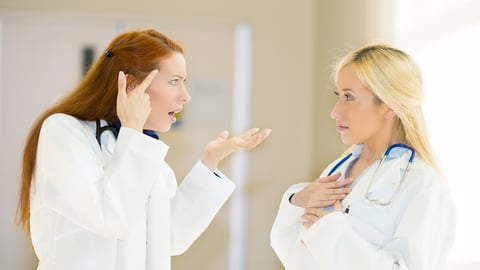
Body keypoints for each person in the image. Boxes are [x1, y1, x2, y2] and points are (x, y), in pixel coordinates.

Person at [16, 29, 271, 270]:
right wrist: (133, 132)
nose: (186, 96)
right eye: (174, 82)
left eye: (184, 82)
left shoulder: (145, 152)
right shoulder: (64, 131)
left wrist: (210, 161)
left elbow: (172, 237)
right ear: (132, 85)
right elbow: (111, 217)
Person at [270, 43, 455, 269]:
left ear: (389, 105)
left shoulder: (422, 183)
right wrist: (295, 201)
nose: (335, 111)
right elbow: (295, 256)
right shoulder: (337, 170)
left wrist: (330, 231)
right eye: (339, 95)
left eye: (349, 97)